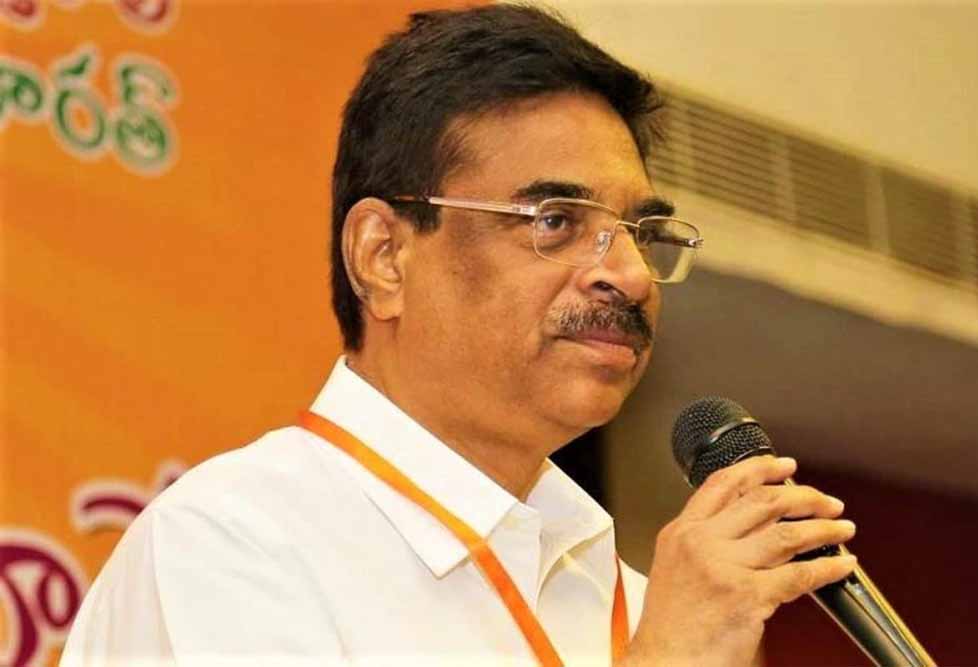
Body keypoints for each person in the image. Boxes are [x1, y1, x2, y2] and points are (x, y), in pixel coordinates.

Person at [61, 5, 856, 666]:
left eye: (639, 231)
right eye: (555, 220)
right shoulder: (231, 547)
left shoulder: (630, 597)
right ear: (384, 256)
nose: (632, 275)